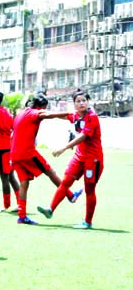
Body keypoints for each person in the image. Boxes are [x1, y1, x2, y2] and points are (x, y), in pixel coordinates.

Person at [37, 89, 103, 229]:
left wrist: (64, 148)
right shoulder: (76, 116)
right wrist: (47, 115)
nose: (81, 103)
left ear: (88, 102)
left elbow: (83, 136)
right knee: (65, 182)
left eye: (84, 100)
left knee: (89, 189)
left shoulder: (92, 117)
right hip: (79, 157)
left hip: (93, 159)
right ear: (74, 104)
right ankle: (50, 210)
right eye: (78, 101)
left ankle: (88, 222)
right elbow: (66, 115)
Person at [11, 93, 79, 225]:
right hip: (27, 153)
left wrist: (69, 117)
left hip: (14, 154)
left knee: (24, 183)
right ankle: (70, 195)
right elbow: (48, 115)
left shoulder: (22, 112)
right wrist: (70, 112)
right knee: (50, 172)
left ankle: (22, 216)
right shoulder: (34, 113)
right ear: (41, 106)